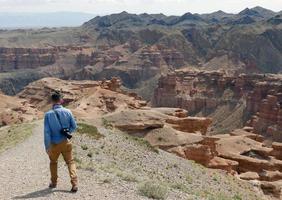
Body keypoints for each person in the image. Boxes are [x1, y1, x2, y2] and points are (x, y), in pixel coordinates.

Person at [44, 91, 78, 193]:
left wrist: (47, 147)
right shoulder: (68, 111)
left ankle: (54, 183)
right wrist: (67, 133)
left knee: (53, 162)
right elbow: (74, 126)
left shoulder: (48, 115)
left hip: (54, 144)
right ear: (61, 100)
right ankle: (74, 183)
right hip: (66, 142)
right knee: (70, 162)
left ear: (52, 101)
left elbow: (47, 132)